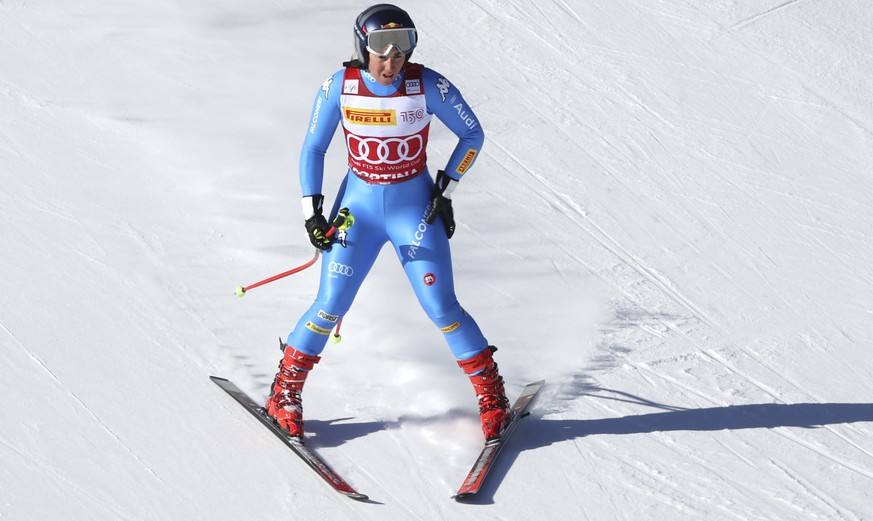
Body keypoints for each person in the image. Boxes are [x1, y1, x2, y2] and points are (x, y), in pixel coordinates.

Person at [265, 4, 510, 442]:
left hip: (412, 209)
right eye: (380, 49)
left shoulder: (427, 84)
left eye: (402, 49)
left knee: (441, 306)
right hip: (357, 209)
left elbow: (473, 135)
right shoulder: (340, 86)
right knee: (330, 303)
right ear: (361, 46)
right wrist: (312, 213)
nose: (391, 60)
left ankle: (492, 398)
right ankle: (284, 392)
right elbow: (313, 149)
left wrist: (445, 187)